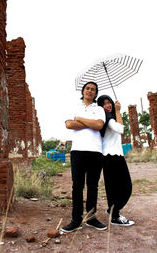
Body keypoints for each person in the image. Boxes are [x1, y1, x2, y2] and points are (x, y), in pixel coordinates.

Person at [61, 81, 107, 233]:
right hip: (78, 151)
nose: (90, 91)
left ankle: (91, 218)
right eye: (87, 88)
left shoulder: (99, 108)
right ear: (83, 91)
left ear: (95, 93)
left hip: (95, 151)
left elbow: (99, 125)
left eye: (93, 89)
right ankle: (76, 219)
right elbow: (68, 125)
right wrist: (90, 123)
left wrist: (79, 119)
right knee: (77, 186)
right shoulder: (74, 107)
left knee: (93, 186)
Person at [97, 95, 134, 226]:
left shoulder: (111, 117)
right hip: (110, 156)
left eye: (109, 103)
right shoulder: (108, 118)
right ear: (100, 107)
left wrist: (116, 112)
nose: (108, 105)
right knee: (117, 187)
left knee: (124, 187)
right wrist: (118, 111)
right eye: (104, 104)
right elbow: (121, 129)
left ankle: (112, 210)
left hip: (117, 155)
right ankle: (114, 216)